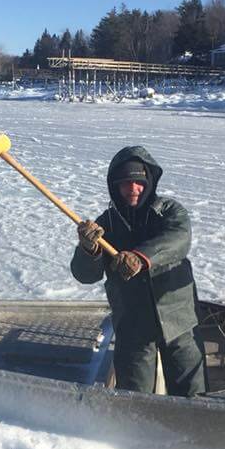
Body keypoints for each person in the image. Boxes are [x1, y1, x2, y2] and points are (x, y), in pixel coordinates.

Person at [71, 146, 206, 397]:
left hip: (178, 318)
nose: (133, 189)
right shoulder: (105, 224)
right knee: (134, 398)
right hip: (133, 324)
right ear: (115, 186)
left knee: (193, 394)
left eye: (139, 182)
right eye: (125, 183)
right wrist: (88, 250)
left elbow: (179, 239)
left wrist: (140, 257)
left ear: (149, 182)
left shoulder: (169, 212)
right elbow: (85, 275)